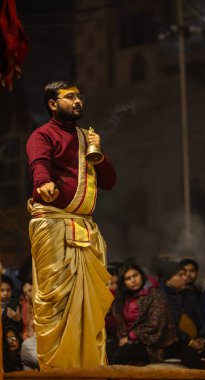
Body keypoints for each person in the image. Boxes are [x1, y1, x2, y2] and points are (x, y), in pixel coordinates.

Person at [26, 80, 116, 370]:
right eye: (70, 97)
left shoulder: (87, 138)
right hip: (53, 226)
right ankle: (57, 370)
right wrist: (43, 184)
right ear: (53, 104)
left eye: (79, 96)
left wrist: (98, 153)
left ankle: (90, 368)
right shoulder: (42, 135)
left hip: (86, 229)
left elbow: (110, 182)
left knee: (90, 308)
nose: (78, 101)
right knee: (56, 303)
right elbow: (39, 165)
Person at [111, 263, 178, 364]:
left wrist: (131, 337)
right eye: (128, 278)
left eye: (135, 275)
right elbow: (117, 321)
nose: (133, 280)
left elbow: (156, 322)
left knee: (121, 354)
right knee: (108, 349)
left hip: (150, 342)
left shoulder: (154, 294)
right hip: (124, 340)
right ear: (123, 282)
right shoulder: (122, 298)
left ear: (141, 275)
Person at [161, 261, 205, 369]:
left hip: (198, 341)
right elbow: (168, 326)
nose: (186, 277)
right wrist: (190, 342)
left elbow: (203, 320)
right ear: (168, 279)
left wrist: (203, 338)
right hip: (176, 343)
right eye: (181, 275)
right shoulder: (160, 296)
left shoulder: (190, 295)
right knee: (191, 358)